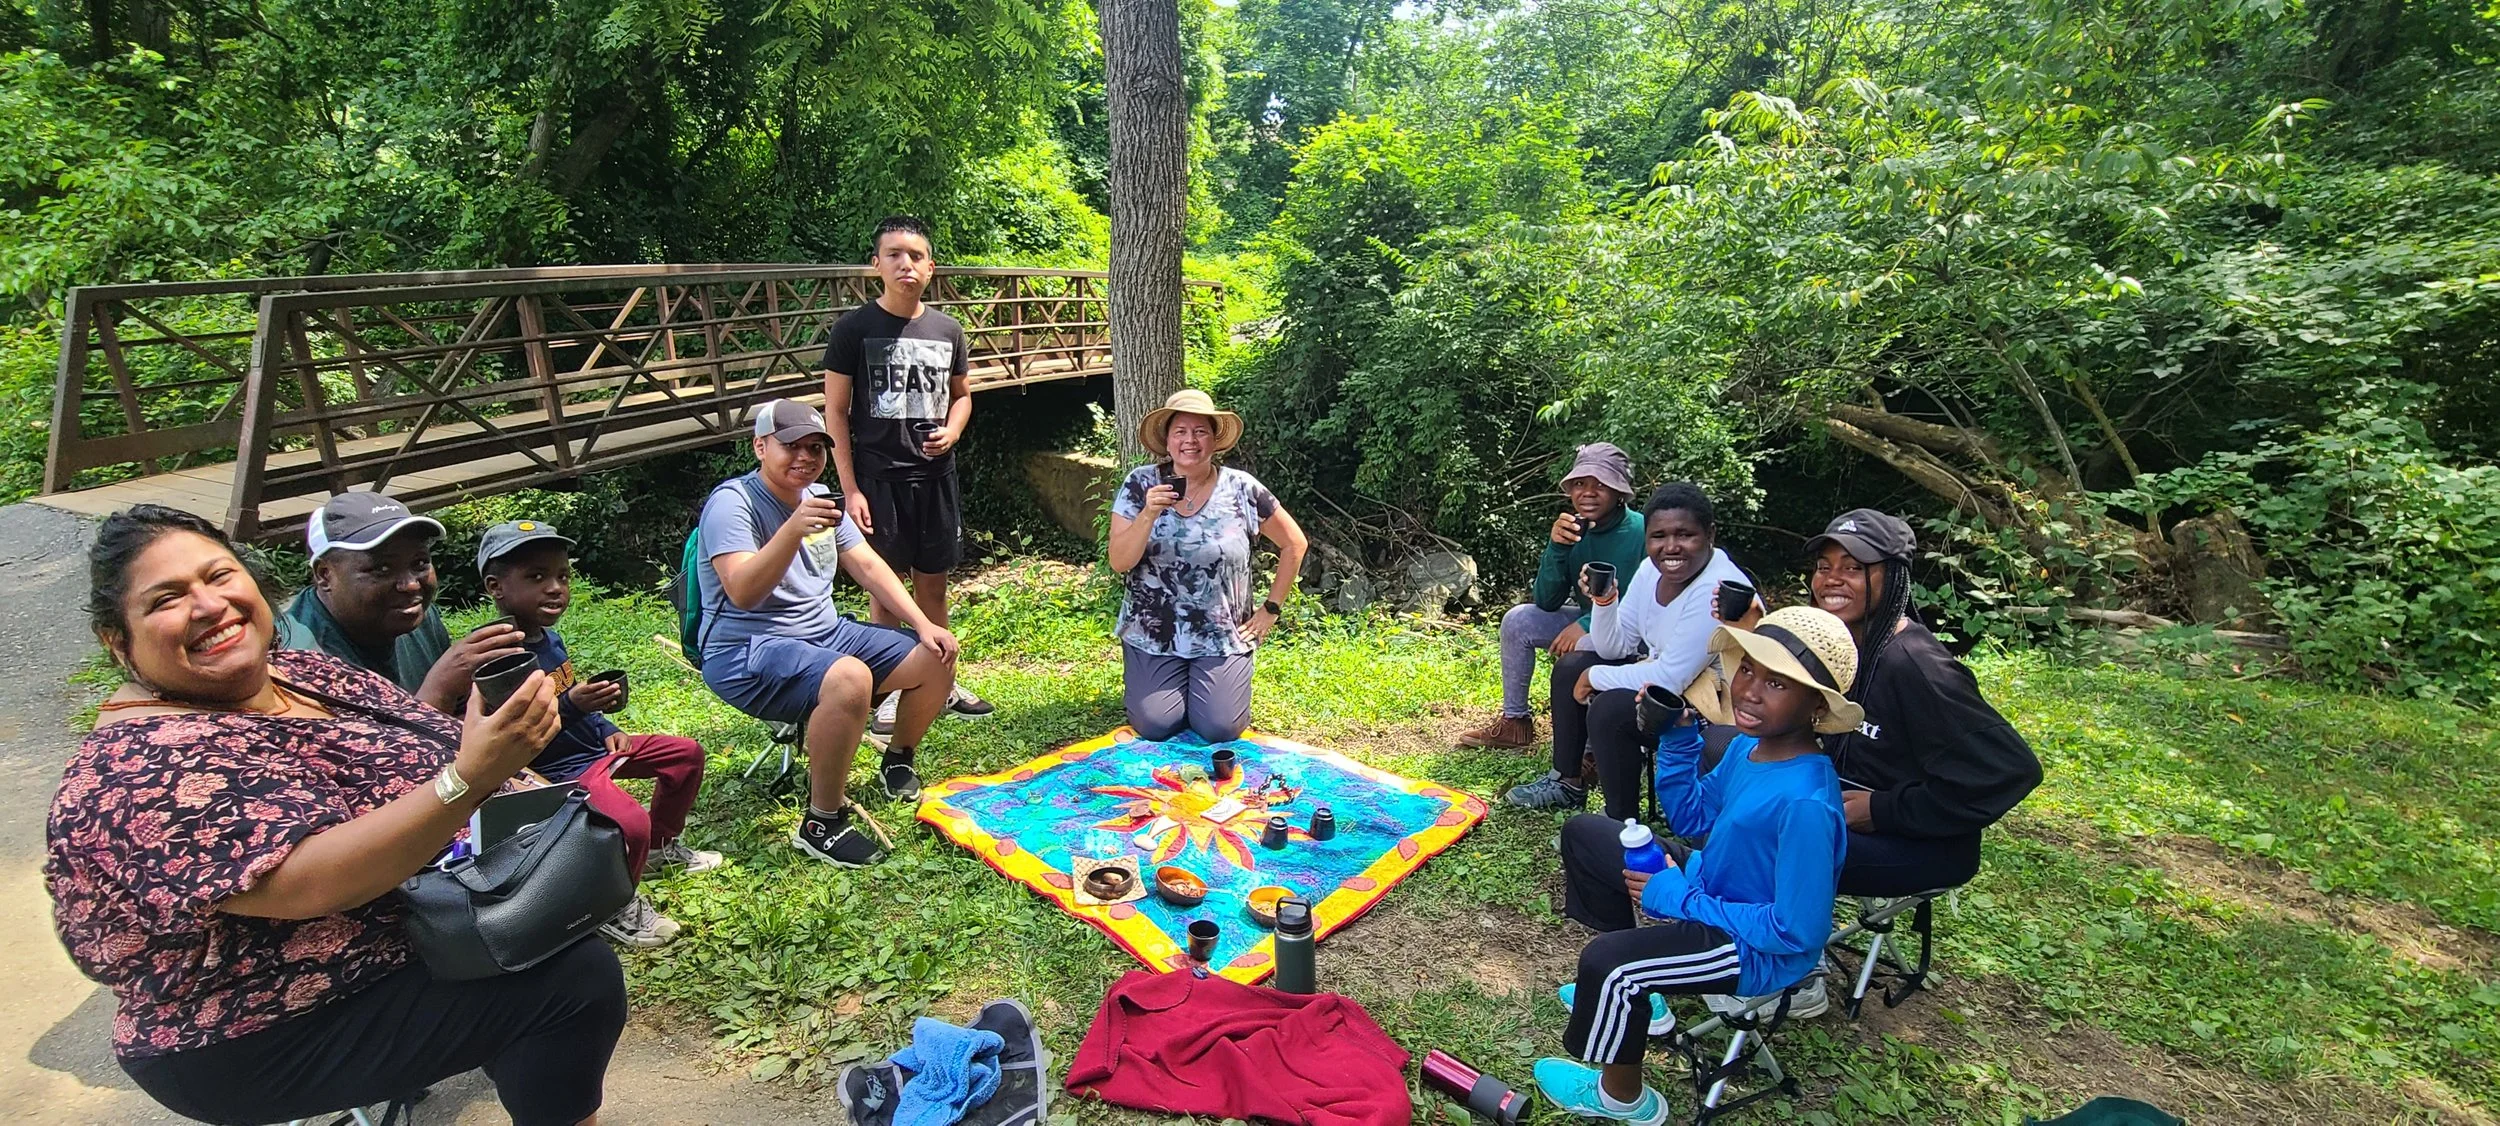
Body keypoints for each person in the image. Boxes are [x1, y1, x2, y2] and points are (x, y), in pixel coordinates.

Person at [48, 505, 623, 1126]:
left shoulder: (295, 672)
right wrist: (473, 776)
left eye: (218, 576)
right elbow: (308, 881)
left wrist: (518, 780)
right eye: (166, 600)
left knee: (546, 946)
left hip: (399, 929)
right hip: (253, 1029)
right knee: (572, 981)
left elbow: (427, 733)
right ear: (118, 641)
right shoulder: (135, 768)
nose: (210, 606)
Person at [277, 490, 678, 946]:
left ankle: (597, 895)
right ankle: (587, 900)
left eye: (419, 563)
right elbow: (366, 777)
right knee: (581, 813)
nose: (410, 584)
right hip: (376, 835)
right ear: (324, 574)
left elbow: (474, 719)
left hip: (456, 773)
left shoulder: (416, 617)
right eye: (380, 569)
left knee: (572, 805)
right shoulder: (297, 653)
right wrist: (440, 686)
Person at [1533, 607, 1857, 1125]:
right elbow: (1692, 816)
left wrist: (1680, 899)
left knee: (1608, 966)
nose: (1750, 690)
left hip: (1754, 949)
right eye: (1747, 669)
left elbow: (1797, 931)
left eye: (1777, 683)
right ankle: (1646, 1003)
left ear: (1817, 705)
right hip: (1712, 886)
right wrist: (1681, 739)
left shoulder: (1806, 804)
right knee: (1588, 835)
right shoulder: (1752, 746)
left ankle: (1624, 1099)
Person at [697, 399, 961, 868]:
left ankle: (898, 757)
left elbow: (865, 564)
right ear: (760, 446)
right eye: (791, 446)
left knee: (935, 653)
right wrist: (793, 530)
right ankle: (822, 821)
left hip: (824, 634)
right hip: (745, 650)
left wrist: (924, 623)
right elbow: (741, 591)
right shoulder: (731, 504)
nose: (805, 456)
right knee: (849, 677)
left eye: (816, 447)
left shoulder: (818, 495)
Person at [479, 518, 723, 948]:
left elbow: (565, 694)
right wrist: (575, 706)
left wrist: (603, 722)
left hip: (591, 748)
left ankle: (662, 847)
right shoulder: (500, 654)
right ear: (496, 587)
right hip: (553, 769)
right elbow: (519, 734)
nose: (555, 588)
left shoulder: (546, 639)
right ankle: (611, 904)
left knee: (684, 755)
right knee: (630, 823)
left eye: (562, 576)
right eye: (537, 577)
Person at [1800, 509, 2041, 895]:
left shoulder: (1917, 666)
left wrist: (1881, 810)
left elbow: (2013, 770)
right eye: (1823, 567)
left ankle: (1781, 949)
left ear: (1893, 577)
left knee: (1773, 843)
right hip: (1833, 804)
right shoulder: (1839, 646)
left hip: (1922, 845)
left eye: (1853, 568)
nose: (1832, 580)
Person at [820, 214, 993, 735]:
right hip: (878, 481)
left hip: (936, 478)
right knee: (886, 596)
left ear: (930, 266)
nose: (906, 264)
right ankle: (892, 688)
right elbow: (834, 413)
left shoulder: (947, 329)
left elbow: (962, 397)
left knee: (934, 586)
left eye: (915, 255)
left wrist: (954, 431)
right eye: (894, 254)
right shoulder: (853, 330)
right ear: (876, 265)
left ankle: (941, 679)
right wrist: (849, 490)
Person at [1507, 483, 1757, 817]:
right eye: (1658, 536)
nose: (1670, 547)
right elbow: (1615, 646)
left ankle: (1621, 823)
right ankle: (1567, 782)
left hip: (1713, 712)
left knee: (1612, 709)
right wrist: (1605, 601)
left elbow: (1670, 678)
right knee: (1570, 668)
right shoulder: (1650, 570)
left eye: (1685, 535)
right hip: (1675, 692)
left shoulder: (1717, 586)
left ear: (1709, 534)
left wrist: (1594, 676)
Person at [1106, 389, 1309, 744]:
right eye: (1180, 431)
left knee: (1219, 728)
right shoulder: (1140, 484)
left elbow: (1294, 543)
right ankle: (1165, 687)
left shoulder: (1242, 488)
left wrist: (1270, 610)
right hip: (1154, 632)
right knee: (1155, 724)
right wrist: (1149, 513)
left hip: (1220, 635)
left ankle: (1205, 689)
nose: (1190, 440)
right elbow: (1119, 561)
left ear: (1214, 441)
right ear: (1166, 441)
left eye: (1200, 431)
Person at [1453, 442, 1647, 750]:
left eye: (1601, 484)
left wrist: (1585, 623)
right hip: (1593, 619)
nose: (1588, 492)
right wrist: (1557, 547)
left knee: (1582, 646)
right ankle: (1515, 722)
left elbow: (1644, 601)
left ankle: (1590, 750)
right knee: (1519, 620)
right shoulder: (1573, 529)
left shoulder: (1643, 531)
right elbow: (1546, 601)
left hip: (1633, 634)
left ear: (1619, 491)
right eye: (1580, 484)